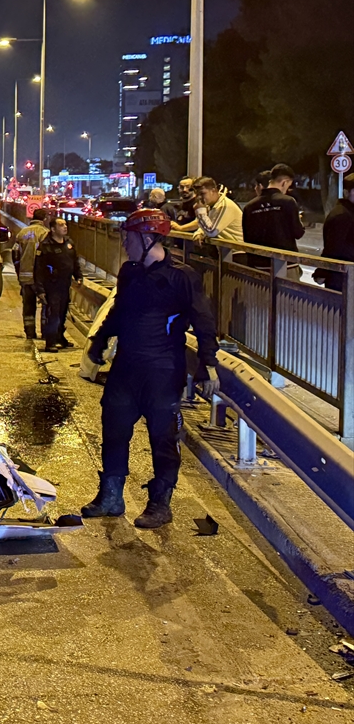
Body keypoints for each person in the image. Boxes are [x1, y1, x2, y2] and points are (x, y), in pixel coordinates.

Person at [82, 209, 220, 529]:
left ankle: (160, 502)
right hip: (126, 367)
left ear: (146, 238)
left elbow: (203, 322)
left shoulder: (181, 277)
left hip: (161, 371)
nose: (124, 244)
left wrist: (208, 364)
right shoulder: (129, 273)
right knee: (114, 429)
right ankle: (111, 496)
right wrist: (99, 342)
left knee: (162, 436)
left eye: (128, 237)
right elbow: (118, 312)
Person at [242, 163, 306, 278]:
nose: (286, 190)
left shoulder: (249, 206)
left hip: (259, 266)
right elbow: (298, 233)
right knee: (286, 296)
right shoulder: (288, 202)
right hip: (286, 264)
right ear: (284, 182)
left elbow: (247, 238)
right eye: (288, 186)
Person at [34, 217, 83, 352]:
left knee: (62, 313)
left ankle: (60, 337)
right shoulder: (46, 246)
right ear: (53, 229)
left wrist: (78, 276)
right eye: (61, 225)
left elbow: (74, 262)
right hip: (52, 285)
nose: (65, 227)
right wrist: (40, 290)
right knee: (53, 314)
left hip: (65, 284)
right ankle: (50, 342)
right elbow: (38, 269)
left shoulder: (69, 243)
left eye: (65, 225)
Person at [13, 207, 50, 340]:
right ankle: (45, 333)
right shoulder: (46, 234)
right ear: (44, 219)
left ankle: (30, 332)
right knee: (46, 305)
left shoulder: (22, 233)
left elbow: (15, 254)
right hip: (42, 278)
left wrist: (19, 272)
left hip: (25, 276)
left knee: (28, 306)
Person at [173, 177, 243, 244]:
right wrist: (199, 233)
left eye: (202, 193)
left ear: (213, 190)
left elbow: (211, 232)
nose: (199, 197)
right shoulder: (211, 205)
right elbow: (203, 224)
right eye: (197, 194)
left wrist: (200, 211)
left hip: (237, 251)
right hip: (224, 250)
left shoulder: (224, 205)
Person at [317, 171, 354, 291]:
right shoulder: (342, 215)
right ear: (346, 192)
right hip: (342, 279)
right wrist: (322, 272)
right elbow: (333, 248)